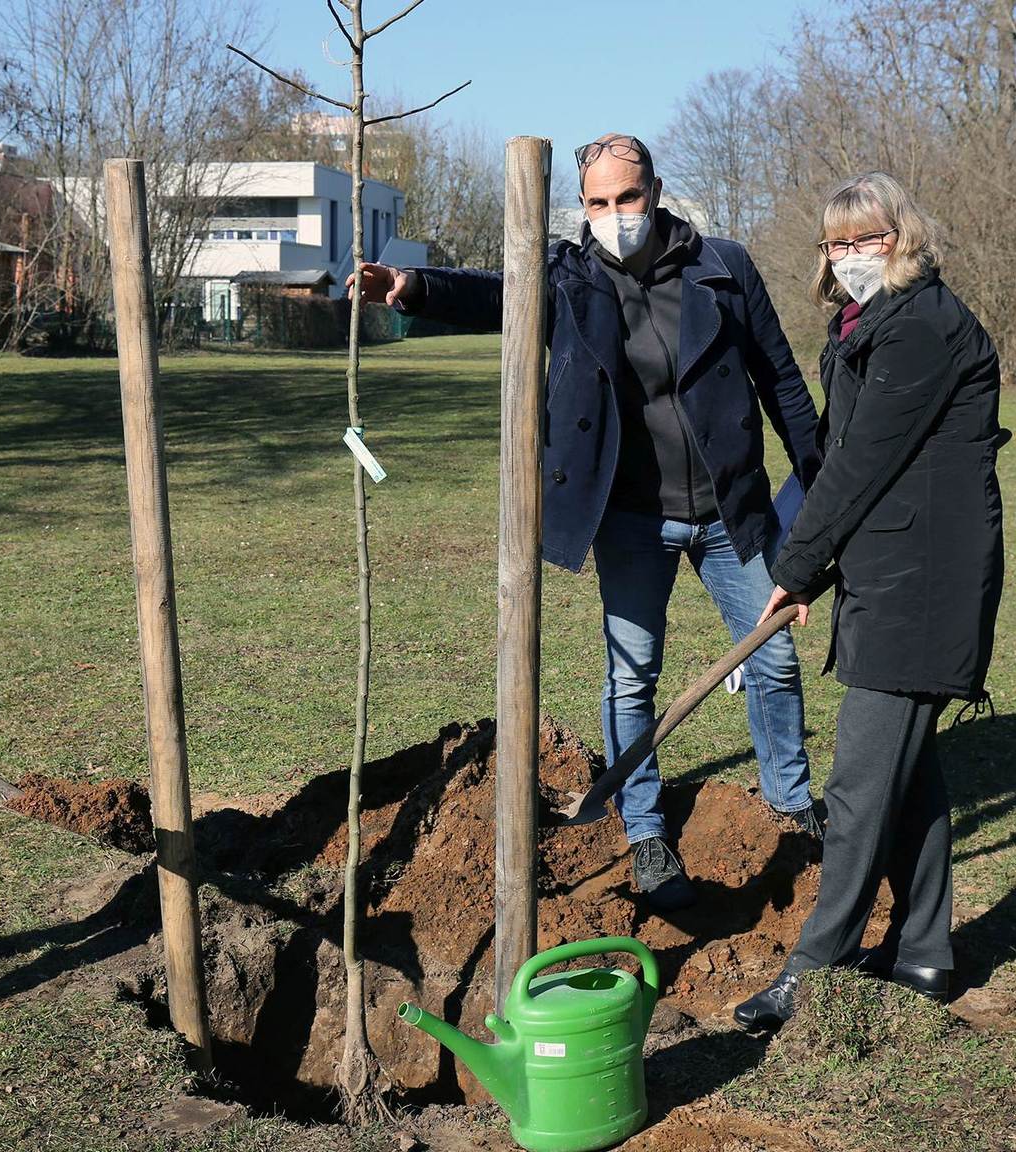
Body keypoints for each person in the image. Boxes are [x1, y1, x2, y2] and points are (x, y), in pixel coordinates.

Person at [353, 133, 824, 912]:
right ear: (583, 206)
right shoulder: (568, 278)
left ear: (657, 191)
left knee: (772, 662)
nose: (614, 216)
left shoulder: (724, 268)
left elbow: (782, 384)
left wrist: (821, 497)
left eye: (627, 199)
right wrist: (408, 286)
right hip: (632, 520)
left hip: (731, 514)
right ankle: (644, 828)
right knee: (630, 677)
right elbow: (491, 292)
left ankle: (791, 800)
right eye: (598, 203)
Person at [732, 172, 1007, 1031]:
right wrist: (811, 557)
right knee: (910, 779)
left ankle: (815, 968)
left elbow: (860, 465)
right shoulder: (869, 324)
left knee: (856, 785)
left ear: (904, 237)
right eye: (838, 243)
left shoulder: (920, 327)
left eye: (869, 238)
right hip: (891, 568)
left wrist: (801, 565)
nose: (852, 256)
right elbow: (840, 457)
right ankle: (926, 950)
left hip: (922, 580)